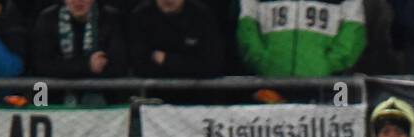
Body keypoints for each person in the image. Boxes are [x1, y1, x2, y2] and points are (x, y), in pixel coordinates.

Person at [236, 0, 365, 76]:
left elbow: (353, 31)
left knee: (334, 116)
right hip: (268, 85)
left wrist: (328, 66)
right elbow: (246, 25)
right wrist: (261, 62)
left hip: (330, 86)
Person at [32, 0, 129, 79]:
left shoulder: (111, 18)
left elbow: (119, 67)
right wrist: (87, 65)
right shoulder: (48, 18)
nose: (78, 1)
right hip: (58, 96)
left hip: (102, 95)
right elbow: (42, 66)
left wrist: (67, 68)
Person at [128, 0, 223, 76]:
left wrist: (167, 59)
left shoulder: (202, 14)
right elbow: (139, 66)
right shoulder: (141, 14)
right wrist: (187, 63)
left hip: (198, 93)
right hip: (153, 94)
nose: (168, 0)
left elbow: (211, 65)